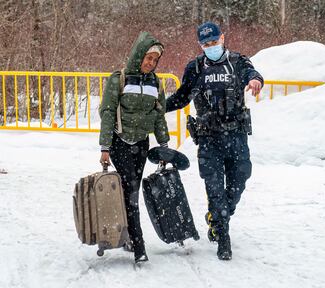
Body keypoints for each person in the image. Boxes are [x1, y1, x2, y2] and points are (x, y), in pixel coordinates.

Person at [166, 21, 263, 260]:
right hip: (209, 139)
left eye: (214, 41)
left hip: (236, 136)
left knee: (240, 179)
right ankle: (223, 236)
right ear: (200, 45)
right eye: (205, 44)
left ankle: (217, 217)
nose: (211, 46)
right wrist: (159, 107)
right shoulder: (195, 67)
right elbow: (181, 98)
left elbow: (253, 73)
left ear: (222, 38)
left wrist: (255, 81)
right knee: (215, 189)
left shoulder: (238, 62)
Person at [99, 31, 169, 263]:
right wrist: (105, 147)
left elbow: (159, 116)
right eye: (147, 58)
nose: (150, 63)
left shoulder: (156, 83)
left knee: (133, 192)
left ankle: (129, 236)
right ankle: (139, 247)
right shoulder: (118, 79)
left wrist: (164, 144)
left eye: (155, 60)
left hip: (141, 144)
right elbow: (108, 113)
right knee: (130, 193)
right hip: (120, 143)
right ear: (138, 56)